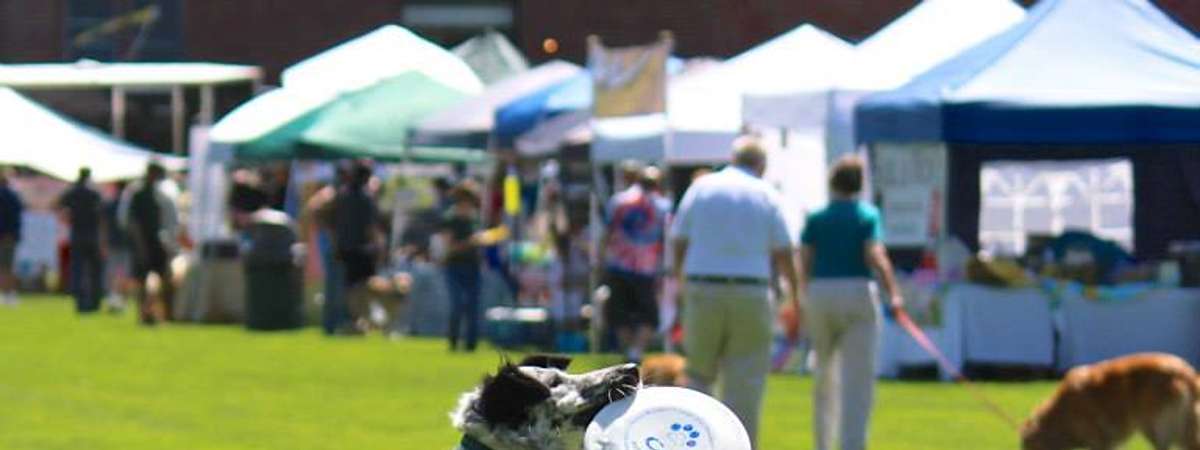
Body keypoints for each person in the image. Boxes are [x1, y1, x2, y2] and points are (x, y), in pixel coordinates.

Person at [669, 137, 800, 448]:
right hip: (751, 291)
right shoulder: (767, 193)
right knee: (745, 384)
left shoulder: (702, 187)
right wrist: (795, 295)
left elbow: (678, 240)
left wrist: (680, 281)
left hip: (703, 286)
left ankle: (697, 444)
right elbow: (784, 251)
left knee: (699, 376)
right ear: (762, 165)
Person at [799, 154, 903, 450]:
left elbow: (804, 259)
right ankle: (852, 445)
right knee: (857, 381)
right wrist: (893, 292)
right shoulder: (867, 215)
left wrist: (802, 294)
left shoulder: (816, 216)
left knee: (823, 376)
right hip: (857, 291)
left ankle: (822, 443)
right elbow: (876, 255)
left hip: (820, 293)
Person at [598, 165, 671, 363]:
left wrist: (601, 258)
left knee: (620, 314)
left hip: (619, 264)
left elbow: (606, 233)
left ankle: (628, 351)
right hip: (646, 268)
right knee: (648, 315)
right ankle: (636, 351)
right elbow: (667, 238)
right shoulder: (663, 206)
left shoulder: (618, 201)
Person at [121, 162, 179, 324]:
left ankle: (160, 313)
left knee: (163, 278)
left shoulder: (158, 192)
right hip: (145, 243)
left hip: (157, 242)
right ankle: (145, 314)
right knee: (143, 281)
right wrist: (140, 245)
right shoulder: (138, 194)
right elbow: (133, 222)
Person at [333, 161, 383, 333]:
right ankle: (362, 320)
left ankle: (352, 319)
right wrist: (378, 246)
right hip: (363, 249)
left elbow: (336, 223)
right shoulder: (365, 197)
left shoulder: (343, 195)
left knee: (350, 287)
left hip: (345, 247)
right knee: (366, 287)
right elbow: (370, 226)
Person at [440, 181, 484, 352]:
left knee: (473, 306)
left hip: (473, 266)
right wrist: (470, 242)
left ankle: (471, 345)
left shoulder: (475, 218)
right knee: (457, 305)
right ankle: (453, 341)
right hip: (455, 266)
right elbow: (449, 247)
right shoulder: (450, 218)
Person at [57, 168, 105, 313]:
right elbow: (101, 215)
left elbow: (59, 205)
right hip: (92, 235)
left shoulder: (72, 192)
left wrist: (69, 217)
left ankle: (80, 301)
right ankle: (95, 301)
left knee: (78, 269)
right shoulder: (94, 193)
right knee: (94, 270)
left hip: (77, 234)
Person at [0, 168, 23, 305]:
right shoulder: (14, 196)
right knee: (8, 266)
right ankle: (9, 293)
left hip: (4, 235)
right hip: (10, 236)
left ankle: (6, 293)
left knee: (4, 266)